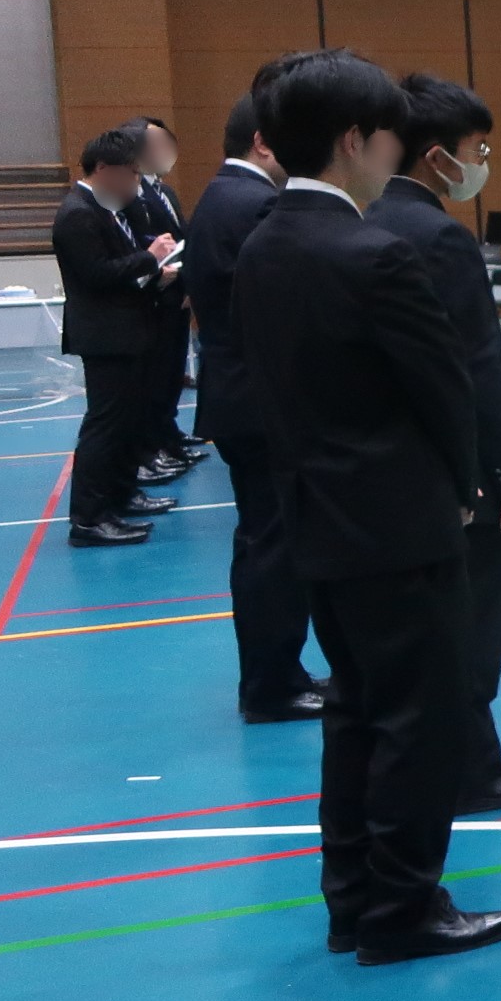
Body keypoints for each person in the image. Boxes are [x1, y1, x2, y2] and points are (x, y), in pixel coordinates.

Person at [234, 49, 501, 966]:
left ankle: (354, 897)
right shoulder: (374, 253)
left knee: (356, 712)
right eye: (391, 138)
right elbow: (445, 393)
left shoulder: (265, 241)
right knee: (417, 722)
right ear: (355, 140)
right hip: (399, 523)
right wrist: (465, 489)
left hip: (320, 515)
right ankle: (404, 906)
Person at [367, 74, 501, 817]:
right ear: (437, 155)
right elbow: (478, 368)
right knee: (471, 618)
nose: (482, 163)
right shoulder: (437, 236)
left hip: (387, 462)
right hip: (461, 466)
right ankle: (473, 765)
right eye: (478, 149)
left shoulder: (363, 216)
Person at [184, 84, 325, 719]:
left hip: (239, 394)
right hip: (262, 400)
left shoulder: (223, 195)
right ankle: (272, 684)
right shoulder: (255, 203)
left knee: (266, 541)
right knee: (275, 547)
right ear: (264, 142)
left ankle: (279, 673)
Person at [52, 125, 182, 548]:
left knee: (126, 422)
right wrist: (149, 259)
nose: (134, 184)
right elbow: (96, 274)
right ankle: (89, 518)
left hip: (126, 331)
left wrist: (154, 271)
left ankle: (122, 495)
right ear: (104, 169)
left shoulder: (104, 210)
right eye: (130, 174)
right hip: (106, 337)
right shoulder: (78, 214)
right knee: (105, 426)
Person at [121, 115, 204, 481]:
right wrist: (159, 275)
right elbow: (140, 243)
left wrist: (187, 283)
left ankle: (169, 436)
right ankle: (152, 446)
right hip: (155, 296)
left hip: (177, 294)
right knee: (153, 379)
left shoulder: (164, 191)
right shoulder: (133, 194)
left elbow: (180, 237)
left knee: (172, 375)